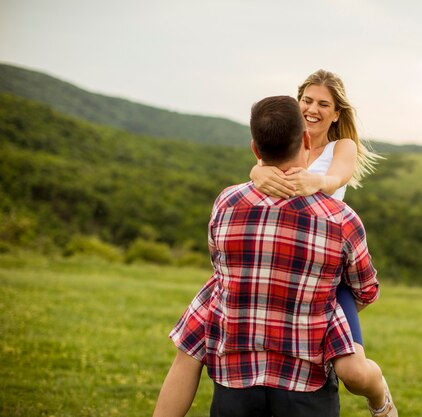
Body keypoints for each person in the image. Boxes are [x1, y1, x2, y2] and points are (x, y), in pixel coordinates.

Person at [152, 95, 391, 417]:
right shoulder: (341, 219)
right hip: (305, 384)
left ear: (255, 148)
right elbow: (366, 289)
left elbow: (220, 264)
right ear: (305, 139)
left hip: (234, 379)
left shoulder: (226, 203)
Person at [250, 69, 396, 417]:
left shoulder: (340, 147)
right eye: (307, 100)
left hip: (329, 271)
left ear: (336, 113)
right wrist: (257, 172)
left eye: (323, 104)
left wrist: (317, 181)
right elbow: (258, 170)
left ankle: (382, 400)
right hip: (283, 266)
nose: (312, 109)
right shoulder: (284, 141)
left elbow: (337, 176)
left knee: (354, 374)